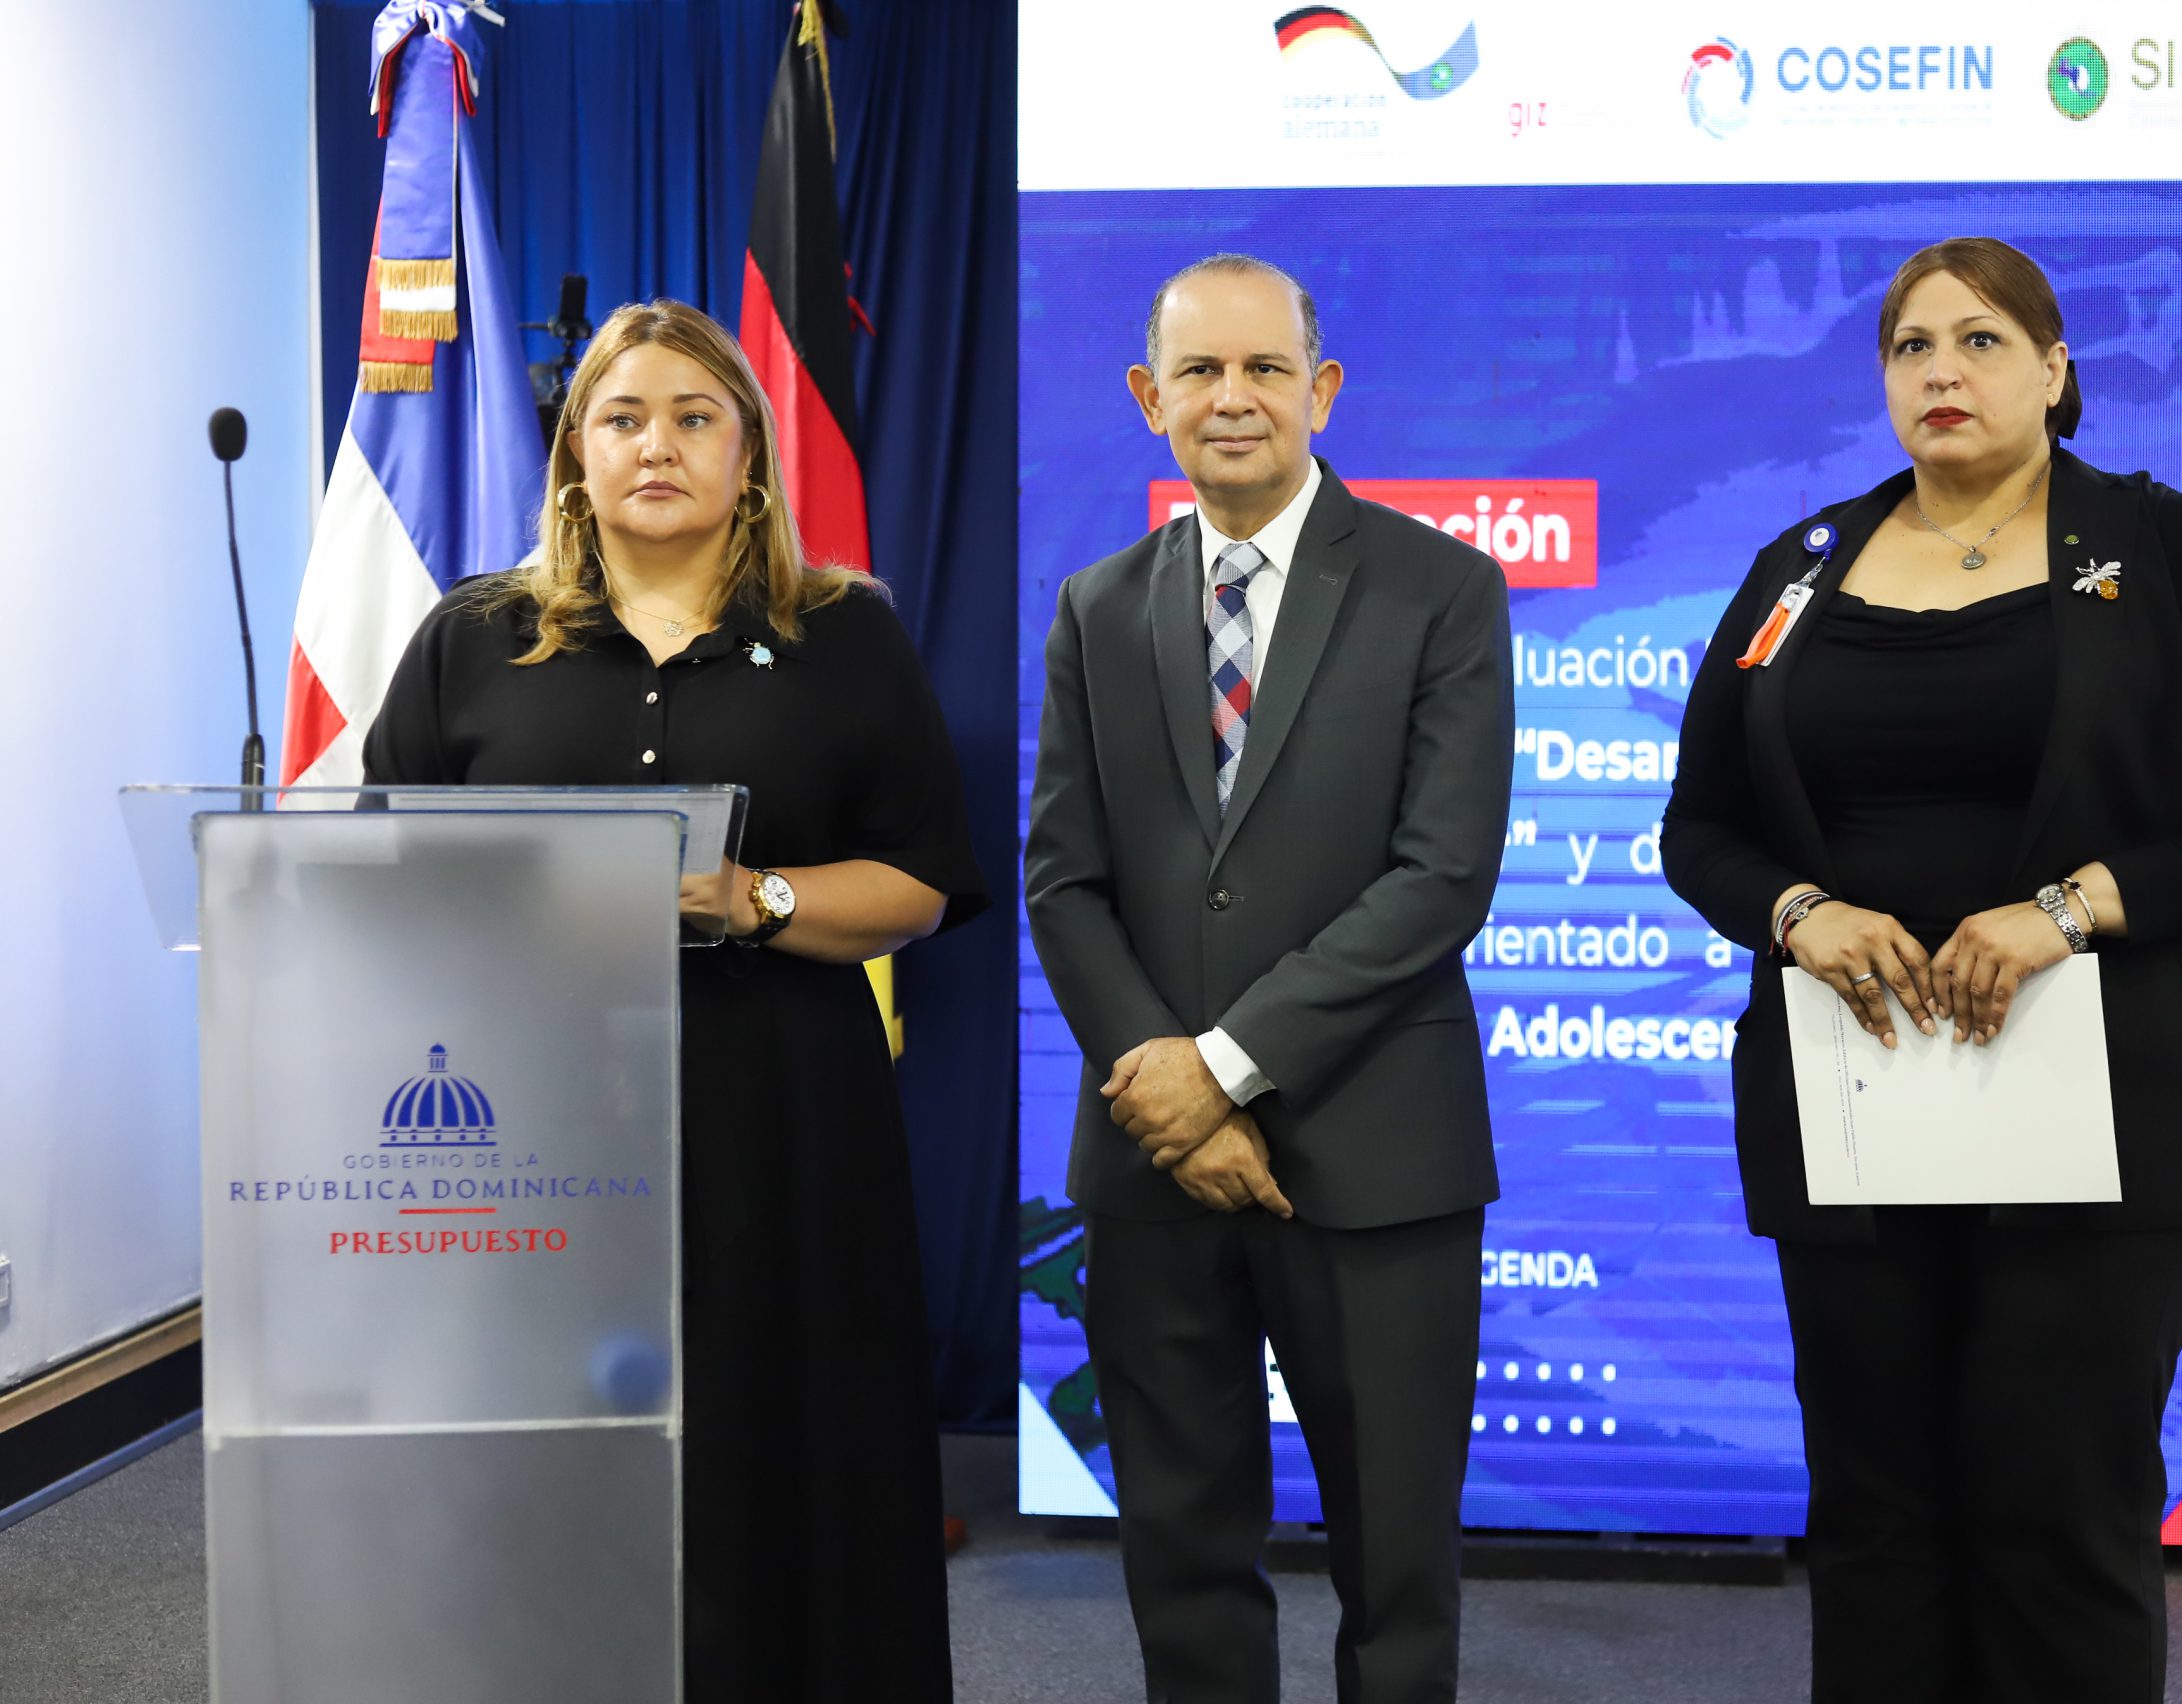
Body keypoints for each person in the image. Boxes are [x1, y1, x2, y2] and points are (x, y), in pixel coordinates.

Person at [1661, 238, 2182, 1704]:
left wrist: (2074, 908)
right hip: (1861, 1102)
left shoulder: (2166, 550)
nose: (1943, 372)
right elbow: (1700, 828)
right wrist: (1797, 911)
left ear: (2054, 370)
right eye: (1912, 347)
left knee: (2055, 1499)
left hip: (2120, 1106)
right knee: (1876, 1508)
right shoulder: (1800, 567)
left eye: (1981, 341)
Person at [362, 299, 986, 1700]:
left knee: (789, 1452)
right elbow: (380, 872)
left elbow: (921, 884)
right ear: (575, 455)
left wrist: (753, 899)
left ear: (748, 455)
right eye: (624, 417)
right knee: (553, 1463)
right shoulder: (474, 638)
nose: (658, 446)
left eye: (696, 418)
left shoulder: (845, 635)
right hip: (533, 1131)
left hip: (787, 1122)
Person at [1024, 253, 1514, 1704]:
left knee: (1397, 1558)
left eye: (1263, 368)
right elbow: (1064, 881)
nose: (1231, 398)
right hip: (1153, 1162)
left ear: (1323, 389)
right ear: (1148, 397)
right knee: (1181, 1548)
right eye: (1199, 371)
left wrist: (1221, 1071)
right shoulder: (1098, 606)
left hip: (1377, 1153)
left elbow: (1442, 878)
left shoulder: (1441, 587)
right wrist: (1166, 1093)